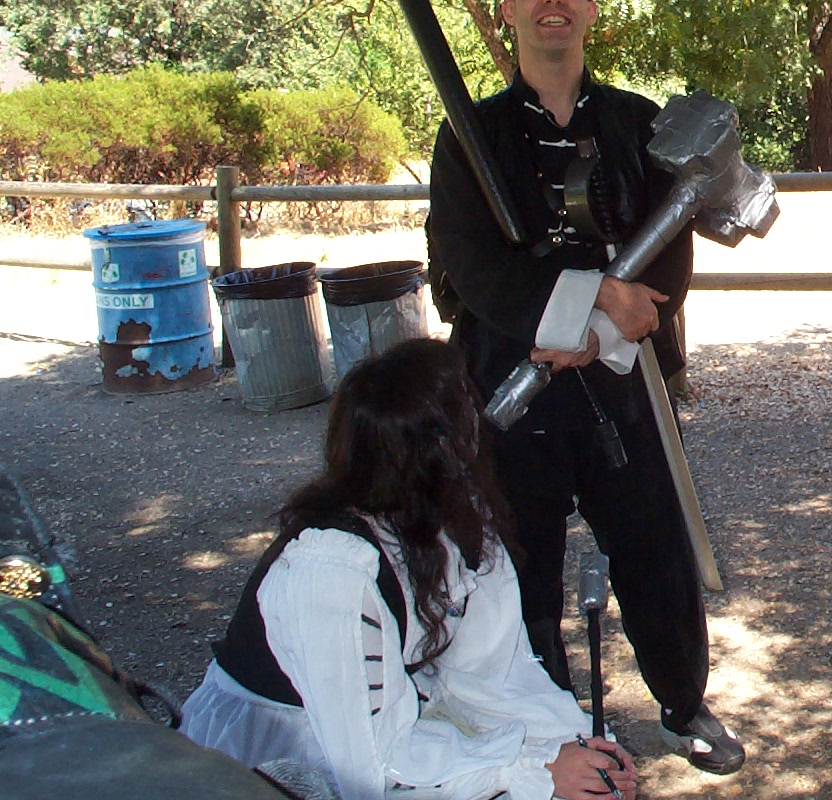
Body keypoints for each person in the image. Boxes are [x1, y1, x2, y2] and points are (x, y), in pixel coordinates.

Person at [424, 0, 742, 774]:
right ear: (509, 13)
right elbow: (468, 262)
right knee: (516, 561)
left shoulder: (640, 124)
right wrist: (589, 296)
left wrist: (600, 331)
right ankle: (549, 729)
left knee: (655, 546)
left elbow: (668, 255)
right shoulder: (470, 137)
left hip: (622, 376)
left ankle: (682, 703)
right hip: (509, 373)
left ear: (591, 11)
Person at [180, 338, 638, 800]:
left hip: (399, 722)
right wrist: (535, 772)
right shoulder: (331, 573)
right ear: (441, 447)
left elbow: (489, 674)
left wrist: (572, 744)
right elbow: (367, 768)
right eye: (466, 410)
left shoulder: (455, 520)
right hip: (292, 754)